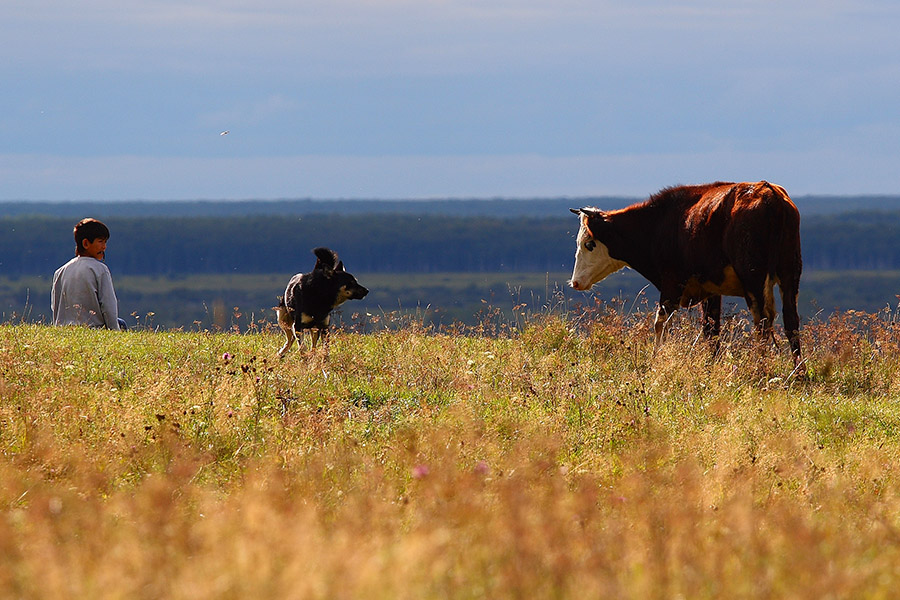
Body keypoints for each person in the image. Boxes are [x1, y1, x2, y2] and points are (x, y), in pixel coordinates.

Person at [51, 218, 127, 330]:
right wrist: (115, 332)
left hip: (64, 329)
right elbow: (108, 307)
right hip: (93, 328)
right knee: (121, 323)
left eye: (105, 242)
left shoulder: (60, 271)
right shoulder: (100, 270)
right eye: (100, 241)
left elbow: (55, 306)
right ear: (86, 243)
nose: (104, 247)